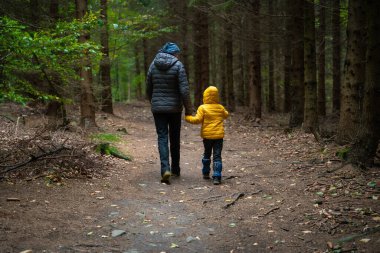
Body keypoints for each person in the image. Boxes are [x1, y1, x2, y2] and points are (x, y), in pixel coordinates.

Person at [146, 42, 193, 184]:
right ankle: (176, 169)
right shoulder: (178, 65)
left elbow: (149, 86)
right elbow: (184, 90)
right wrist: (189, 110)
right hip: (174, 109)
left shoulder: (153, 65)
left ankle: (165, 169)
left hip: (158, 108)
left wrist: (153, 101)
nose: (178, 55)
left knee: (162, 137)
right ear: (174, 53)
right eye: (177, 53)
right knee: (174, 137)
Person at [185, 86, 229, 185]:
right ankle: (217, 176)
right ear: (216, 96)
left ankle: (205, 173)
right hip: (218, 137)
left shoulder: (202, 108)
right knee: (217, 156)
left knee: (207, 154)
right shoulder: (220, 107)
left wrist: (187, 117)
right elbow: (226, 115)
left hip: (207, 137)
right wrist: (223, 112)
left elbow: (197, 120)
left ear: (205, 96)